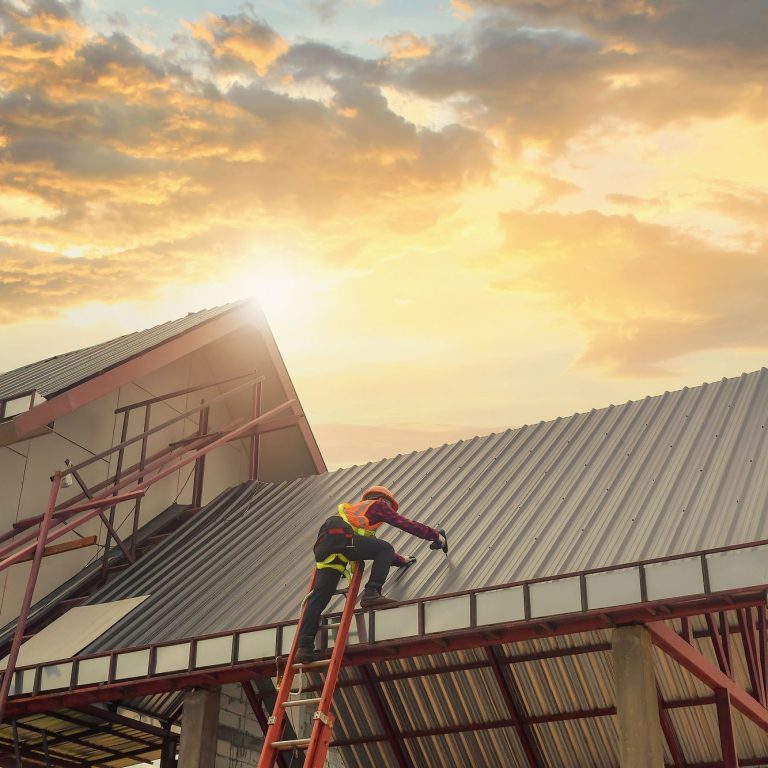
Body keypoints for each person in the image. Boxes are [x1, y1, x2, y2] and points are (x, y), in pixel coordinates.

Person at [295, 485, 446, 663]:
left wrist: (402, 560)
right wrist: (434, 535)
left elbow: (374, 548)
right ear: (383, 500)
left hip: (326, 547)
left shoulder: (357, 517)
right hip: (342, 539)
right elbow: (404, 524)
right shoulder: (378, 505)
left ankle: (304, 648)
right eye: (390, 506)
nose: (389, 511)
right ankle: (372, 592)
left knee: (319, 597)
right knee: (385, 547)